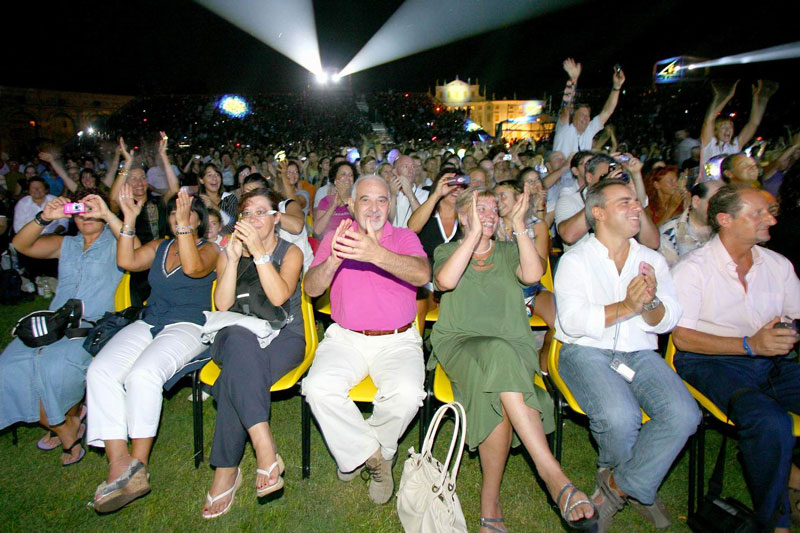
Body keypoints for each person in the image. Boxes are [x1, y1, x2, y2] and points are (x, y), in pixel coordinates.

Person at [432, 186, 595, 531]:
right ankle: (552, 475)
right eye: (480, 209)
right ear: (463, 216)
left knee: (497, 387)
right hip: (461, 342)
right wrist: (473, 234)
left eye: (494, 209)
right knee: (500, 360)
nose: (489, 215)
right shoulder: (446, 251)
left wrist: (519, 223)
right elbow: (445, 281)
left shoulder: (508, 251)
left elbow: (533, 276)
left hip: (510, 343)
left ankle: (490, 502)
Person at [554, 178, 699, 532]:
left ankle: (617, 486)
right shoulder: (575, 260)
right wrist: (627, 306)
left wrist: (649, 302)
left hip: (639, 353)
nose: (637, 207)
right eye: (625, 202)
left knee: (684, 415)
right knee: (620, 416)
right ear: (598, 213)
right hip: (585, 350)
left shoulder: (651, 260)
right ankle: (637, 486)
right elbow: (572, 322)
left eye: (636, 201)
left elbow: (668, 319)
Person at [671, 185, 800, 532]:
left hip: (772, 360)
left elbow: (795, 316)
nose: (771, 219)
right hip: (710, 361)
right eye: (758, 213)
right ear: (725, 220)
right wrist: (750, 344)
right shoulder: (693, 269)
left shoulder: (777, 266)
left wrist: (787, 332)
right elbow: (682, 339)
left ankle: (791, 475)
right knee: (769, 420)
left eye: (770, 211)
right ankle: (776, 523)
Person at [86, 187, 217, 513]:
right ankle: (119, 462)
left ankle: (138, 466)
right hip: (151, 321)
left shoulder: (211, 249)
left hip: (190, 325)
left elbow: (193, 268)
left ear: (198, 220)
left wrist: (185, 227)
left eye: (185, 212)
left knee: (144, 374)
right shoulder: (160, 246)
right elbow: (126, 260)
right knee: (100, 371)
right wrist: (128, 218)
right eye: (173, 213)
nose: (177, 217)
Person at [302, 174, 430, 505]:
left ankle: (358, 451)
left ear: (390, 205)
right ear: (351, 204)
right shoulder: (336, 237)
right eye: (365, 200)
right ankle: (375, 457)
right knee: (317, 388)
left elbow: (422, 274)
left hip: (398, 340)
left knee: (408, 394)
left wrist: (375, 253)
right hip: (346, 338)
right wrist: (333, 259)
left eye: (381, 200)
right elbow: (311, 289)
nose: (374, 208)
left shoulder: (403, 237)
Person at [202, 187, 305, 519]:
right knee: (240, 338)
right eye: (247, 213)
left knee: (234, 380)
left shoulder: (291, 252)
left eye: (262, 212)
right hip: (236, 337)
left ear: (276, 219)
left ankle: (226, 471)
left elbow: (278, 298)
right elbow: (223, 304)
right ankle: (265, 446)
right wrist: (233, 260)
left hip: (284, 336)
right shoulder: (228, 252)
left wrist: (260, 254)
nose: (254, 218)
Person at [0, 192, 123, 466]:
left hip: (92, 325)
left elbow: (134, 247)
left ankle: (64, 424)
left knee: (55, 367)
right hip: (53, 323)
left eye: (92, 209)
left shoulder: (117, 242)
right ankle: (65, 424)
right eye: (80, 211)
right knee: (8, 365)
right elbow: (20, 245)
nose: (86, 216)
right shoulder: (66, 244)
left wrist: (108, 215)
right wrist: (45, 218)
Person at [556, 153, 658, 251]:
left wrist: (633, 199)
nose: (611, 182)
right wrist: (602, 193)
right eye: (605, 176)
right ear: (589, 177)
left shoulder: (623, 204)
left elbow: (652, 243)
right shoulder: (570, 201)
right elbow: (569, 236)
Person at [700, 80, 777, 179]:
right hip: (709, 187)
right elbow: (708, 121)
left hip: (730, 187)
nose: (728, 130)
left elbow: (753, 123)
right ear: (715, 131)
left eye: (730, 126)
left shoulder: (734, 146)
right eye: (723, 127)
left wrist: (757, 99)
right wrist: (726, 97)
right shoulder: (709, 144)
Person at [553, 58, 626, 156]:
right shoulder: (565, 128)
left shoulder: (589, 131)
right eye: (582, 114)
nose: (586, 118)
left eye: (588, 116)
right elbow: (566, 108)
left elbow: (607, 111)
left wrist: (616, 88)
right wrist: (573, 80)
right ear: (573, 116)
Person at [659, 179, 723, 267]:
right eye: (715, 203)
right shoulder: (670, 233)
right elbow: (672, 272)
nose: (722, 209)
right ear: (696, 202)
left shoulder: (727, 228)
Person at [312, 161, 356, 238]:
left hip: (351, 241)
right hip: (330, 241)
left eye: (351, 175)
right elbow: (317, 230)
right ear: (335, 180)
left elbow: (361, 221)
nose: (347, 178)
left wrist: (345, 200)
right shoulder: (326, 201)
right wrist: (333, 206)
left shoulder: (356, 199)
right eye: (343, 174)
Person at [391, 155, 429, 228]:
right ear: (395, 171)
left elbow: (421, 221)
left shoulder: (425, 195)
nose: (411, 171)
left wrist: (410, 194)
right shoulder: (387, 194)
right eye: (405, 167)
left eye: (413, 167)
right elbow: (387, 221)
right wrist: (392, 196)